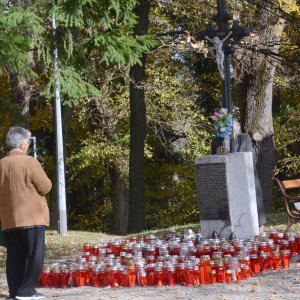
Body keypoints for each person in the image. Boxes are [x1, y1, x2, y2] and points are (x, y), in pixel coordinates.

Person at [0, 127, 52, 300]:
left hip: (9, 218)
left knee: (15, 256)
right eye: (28, 141)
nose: (29, 144)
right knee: (34, 254)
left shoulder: (1, 164)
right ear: (22, 144)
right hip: (32, 216)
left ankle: (16, 291)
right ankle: (27, 290)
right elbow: (45, 187)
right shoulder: (29, 162)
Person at [211, 120, 267, 227]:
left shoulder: (244, 138)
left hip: (245, 175)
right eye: (227, 130)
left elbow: (252, 158)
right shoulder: (216, 141)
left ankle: (259, 225)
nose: (231, 133)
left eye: (233, 130)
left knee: (254, 197)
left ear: (237, 129)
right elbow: (214, 160)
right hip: (225, 177)